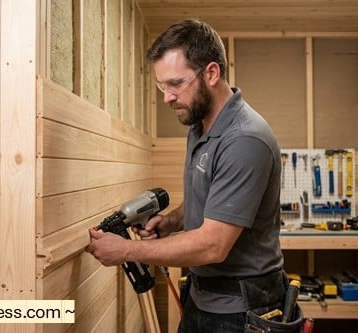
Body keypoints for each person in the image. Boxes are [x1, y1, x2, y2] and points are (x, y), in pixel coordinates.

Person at [85, 19, 286, 332]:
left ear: (211, 73)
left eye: (176, 84)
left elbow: (212, 246)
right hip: (201, 297)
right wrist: (172, 221)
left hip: (242, 314)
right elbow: (208, 201)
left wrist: (125, 250)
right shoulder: (199, 125)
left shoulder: (245, 139)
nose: (167, 96)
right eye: (162, 86)